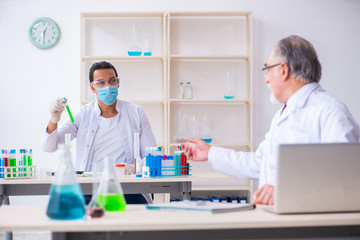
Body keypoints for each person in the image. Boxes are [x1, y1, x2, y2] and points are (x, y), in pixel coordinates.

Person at [181, 35, 360, 206]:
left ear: (283, 69)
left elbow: (347, 178)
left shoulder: (329, 111)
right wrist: (210, 153)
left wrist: (287, 193)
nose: (266, 79)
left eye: (267, 69)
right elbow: (260, 163)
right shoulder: (285, 113)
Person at [43, 61, 157, 203]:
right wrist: (54, 119)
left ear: (118, 83)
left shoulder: (136, 112)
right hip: (88, 189)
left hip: (127, 188)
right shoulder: (82, 114)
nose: (108, 87)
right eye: (101, 83)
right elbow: (49, 147)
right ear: (92, 88)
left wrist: (137, 168)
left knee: (136, 209)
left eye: (112, 81)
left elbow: (151, 154)